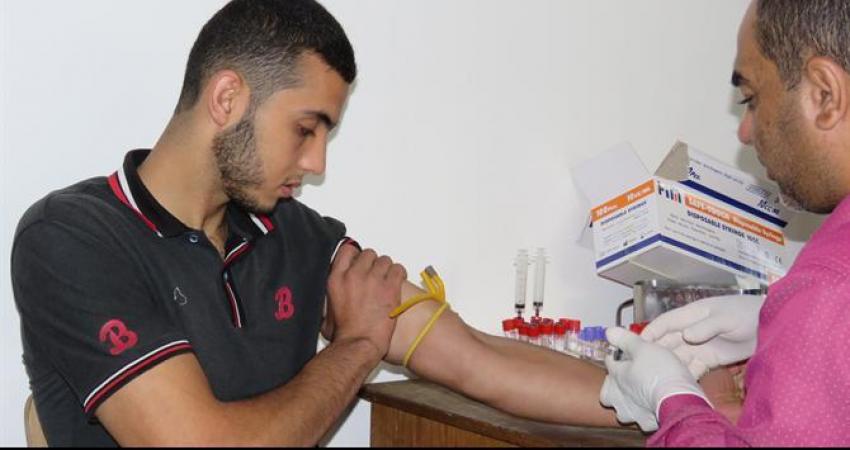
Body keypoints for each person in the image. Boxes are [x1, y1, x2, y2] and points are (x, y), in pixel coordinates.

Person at [10, 1, 636, 446]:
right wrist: (357, 347)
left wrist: (664, 400)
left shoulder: (296, 236)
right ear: (227, 99)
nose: (316, 164)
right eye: (305, 129)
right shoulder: (71, 238)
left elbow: (476, 359)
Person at [600, 0, 850, 445]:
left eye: (751, 99)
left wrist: (673, 399)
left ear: (825, 95)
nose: (745, 132)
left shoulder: (832, 287)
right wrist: (776, 316)